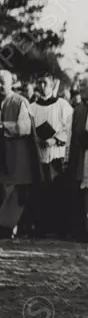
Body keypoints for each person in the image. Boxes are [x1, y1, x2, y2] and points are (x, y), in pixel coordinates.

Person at [0, 70, 43, 237]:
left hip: (15, 154)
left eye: (1, 82)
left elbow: (25, 128)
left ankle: (11, 226)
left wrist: (3, 126)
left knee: (11, 190)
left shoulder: (20, 102)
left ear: (11, 83)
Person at [28, 75, 73, 237]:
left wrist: (55, 139)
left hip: (56, 155)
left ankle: (58, 228)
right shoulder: (32, 107)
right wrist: (37, 138)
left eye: (45, 83)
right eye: (39, 82)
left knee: (57, 191)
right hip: (39, 155)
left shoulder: (63, 105)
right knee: (41, 192)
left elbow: (70, 128)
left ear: (52, 85)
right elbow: (29, 129)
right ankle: (41, 227)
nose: (41, 85)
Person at [67, 77, 88, 240]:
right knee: (81, 192)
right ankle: (80, 229)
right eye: (80, 86)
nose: (81, 89)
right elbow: (72, 134)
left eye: (84, 86)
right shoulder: (78, 109)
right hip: (81, 156)